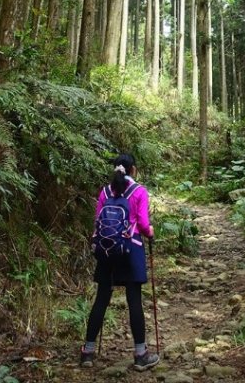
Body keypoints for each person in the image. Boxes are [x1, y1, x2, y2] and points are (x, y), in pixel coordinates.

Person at [80, 153, 159, 371]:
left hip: (107, 251)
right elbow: (143, 224)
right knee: (134, 301)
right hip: (130, 250)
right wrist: (150, 231)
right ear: (133, 169)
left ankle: (87, 352)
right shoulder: (139, 191)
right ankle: (141, 355)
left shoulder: (105, 191)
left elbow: (97, 221)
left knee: (101, 299)